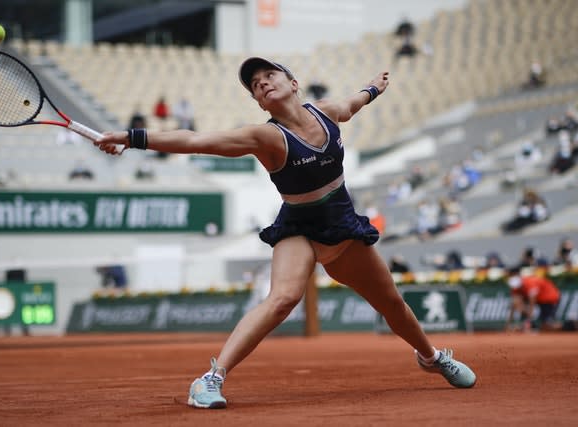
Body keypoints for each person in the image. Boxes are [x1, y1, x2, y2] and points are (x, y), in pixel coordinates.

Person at [95, 56, 476, 409]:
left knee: (391, 302)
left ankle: (431, 357)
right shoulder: (265, 138)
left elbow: (351, 104)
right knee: (282, 300)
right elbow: (197, 141)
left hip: (342, 228)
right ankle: (210, 379)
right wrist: (130, 138)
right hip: (299, 229)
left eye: (269, 76)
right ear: (260, 104)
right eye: (255, 85)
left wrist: (373, 88)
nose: (262, 84)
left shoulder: (326, 112)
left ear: (294, 84)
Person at [505, 267, 561, 332]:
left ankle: (566, 327)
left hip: (550, 298)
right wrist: (508, 323)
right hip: (539, 299)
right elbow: (514, 303)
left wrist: (529, 317)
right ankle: (527, 324)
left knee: (547, 324)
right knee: (518, 304)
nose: (516, 288)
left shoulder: (530, 282)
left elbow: (532, 301)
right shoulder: (515, 287)